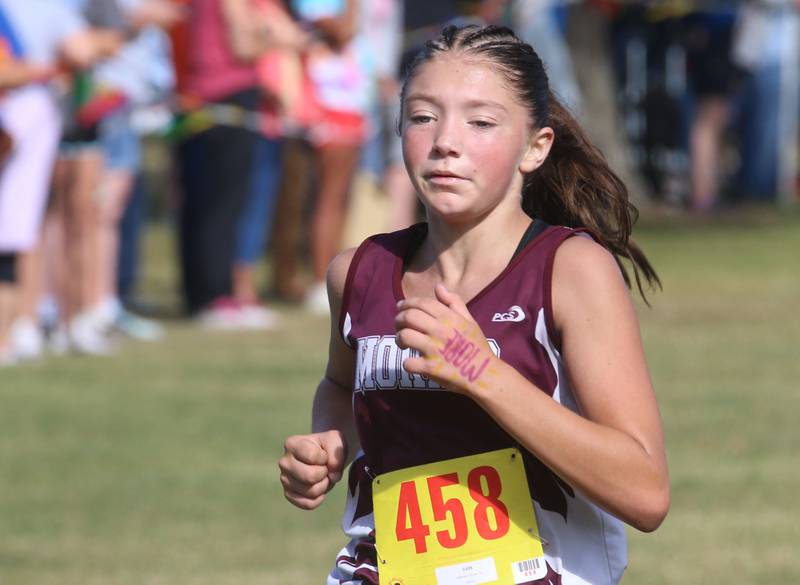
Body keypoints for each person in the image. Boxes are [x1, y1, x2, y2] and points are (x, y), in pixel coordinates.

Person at [278, 24, 669, 585]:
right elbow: (341, 386)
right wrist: (329, 444)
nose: (445, 142)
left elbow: (645, 491)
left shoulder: (570, 270)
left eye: (481, 122)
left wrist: (482, 374)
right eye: (422, 117)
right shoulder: (358, 272)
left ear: (535, 147)